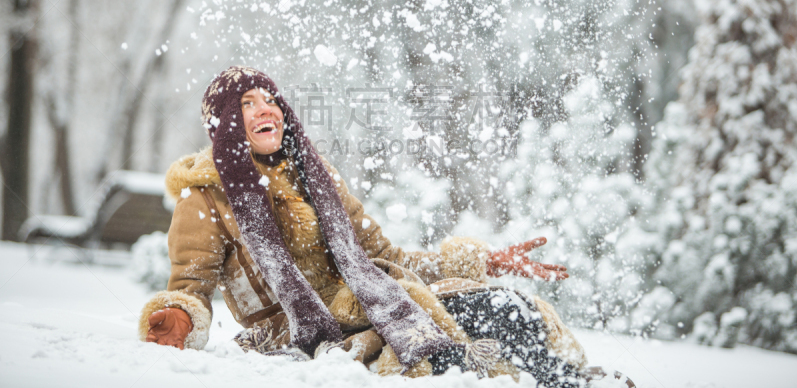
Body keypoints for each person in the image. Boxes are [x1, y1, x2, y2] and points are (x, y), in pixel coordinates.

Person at [139, 66, 593, 384]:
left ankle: (573, 381)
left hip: (372, 300)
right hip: (301, 329)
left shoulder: (317, 178)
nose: (266, 110)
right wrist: (177, 317)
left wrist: (481, 260)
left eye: (271, 100)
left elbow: (389, 260)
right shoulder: (204, 197)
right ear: (224, 126)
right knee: (452, 347)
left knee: (506, 307)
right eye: (247, 103)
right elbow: (190, 283)